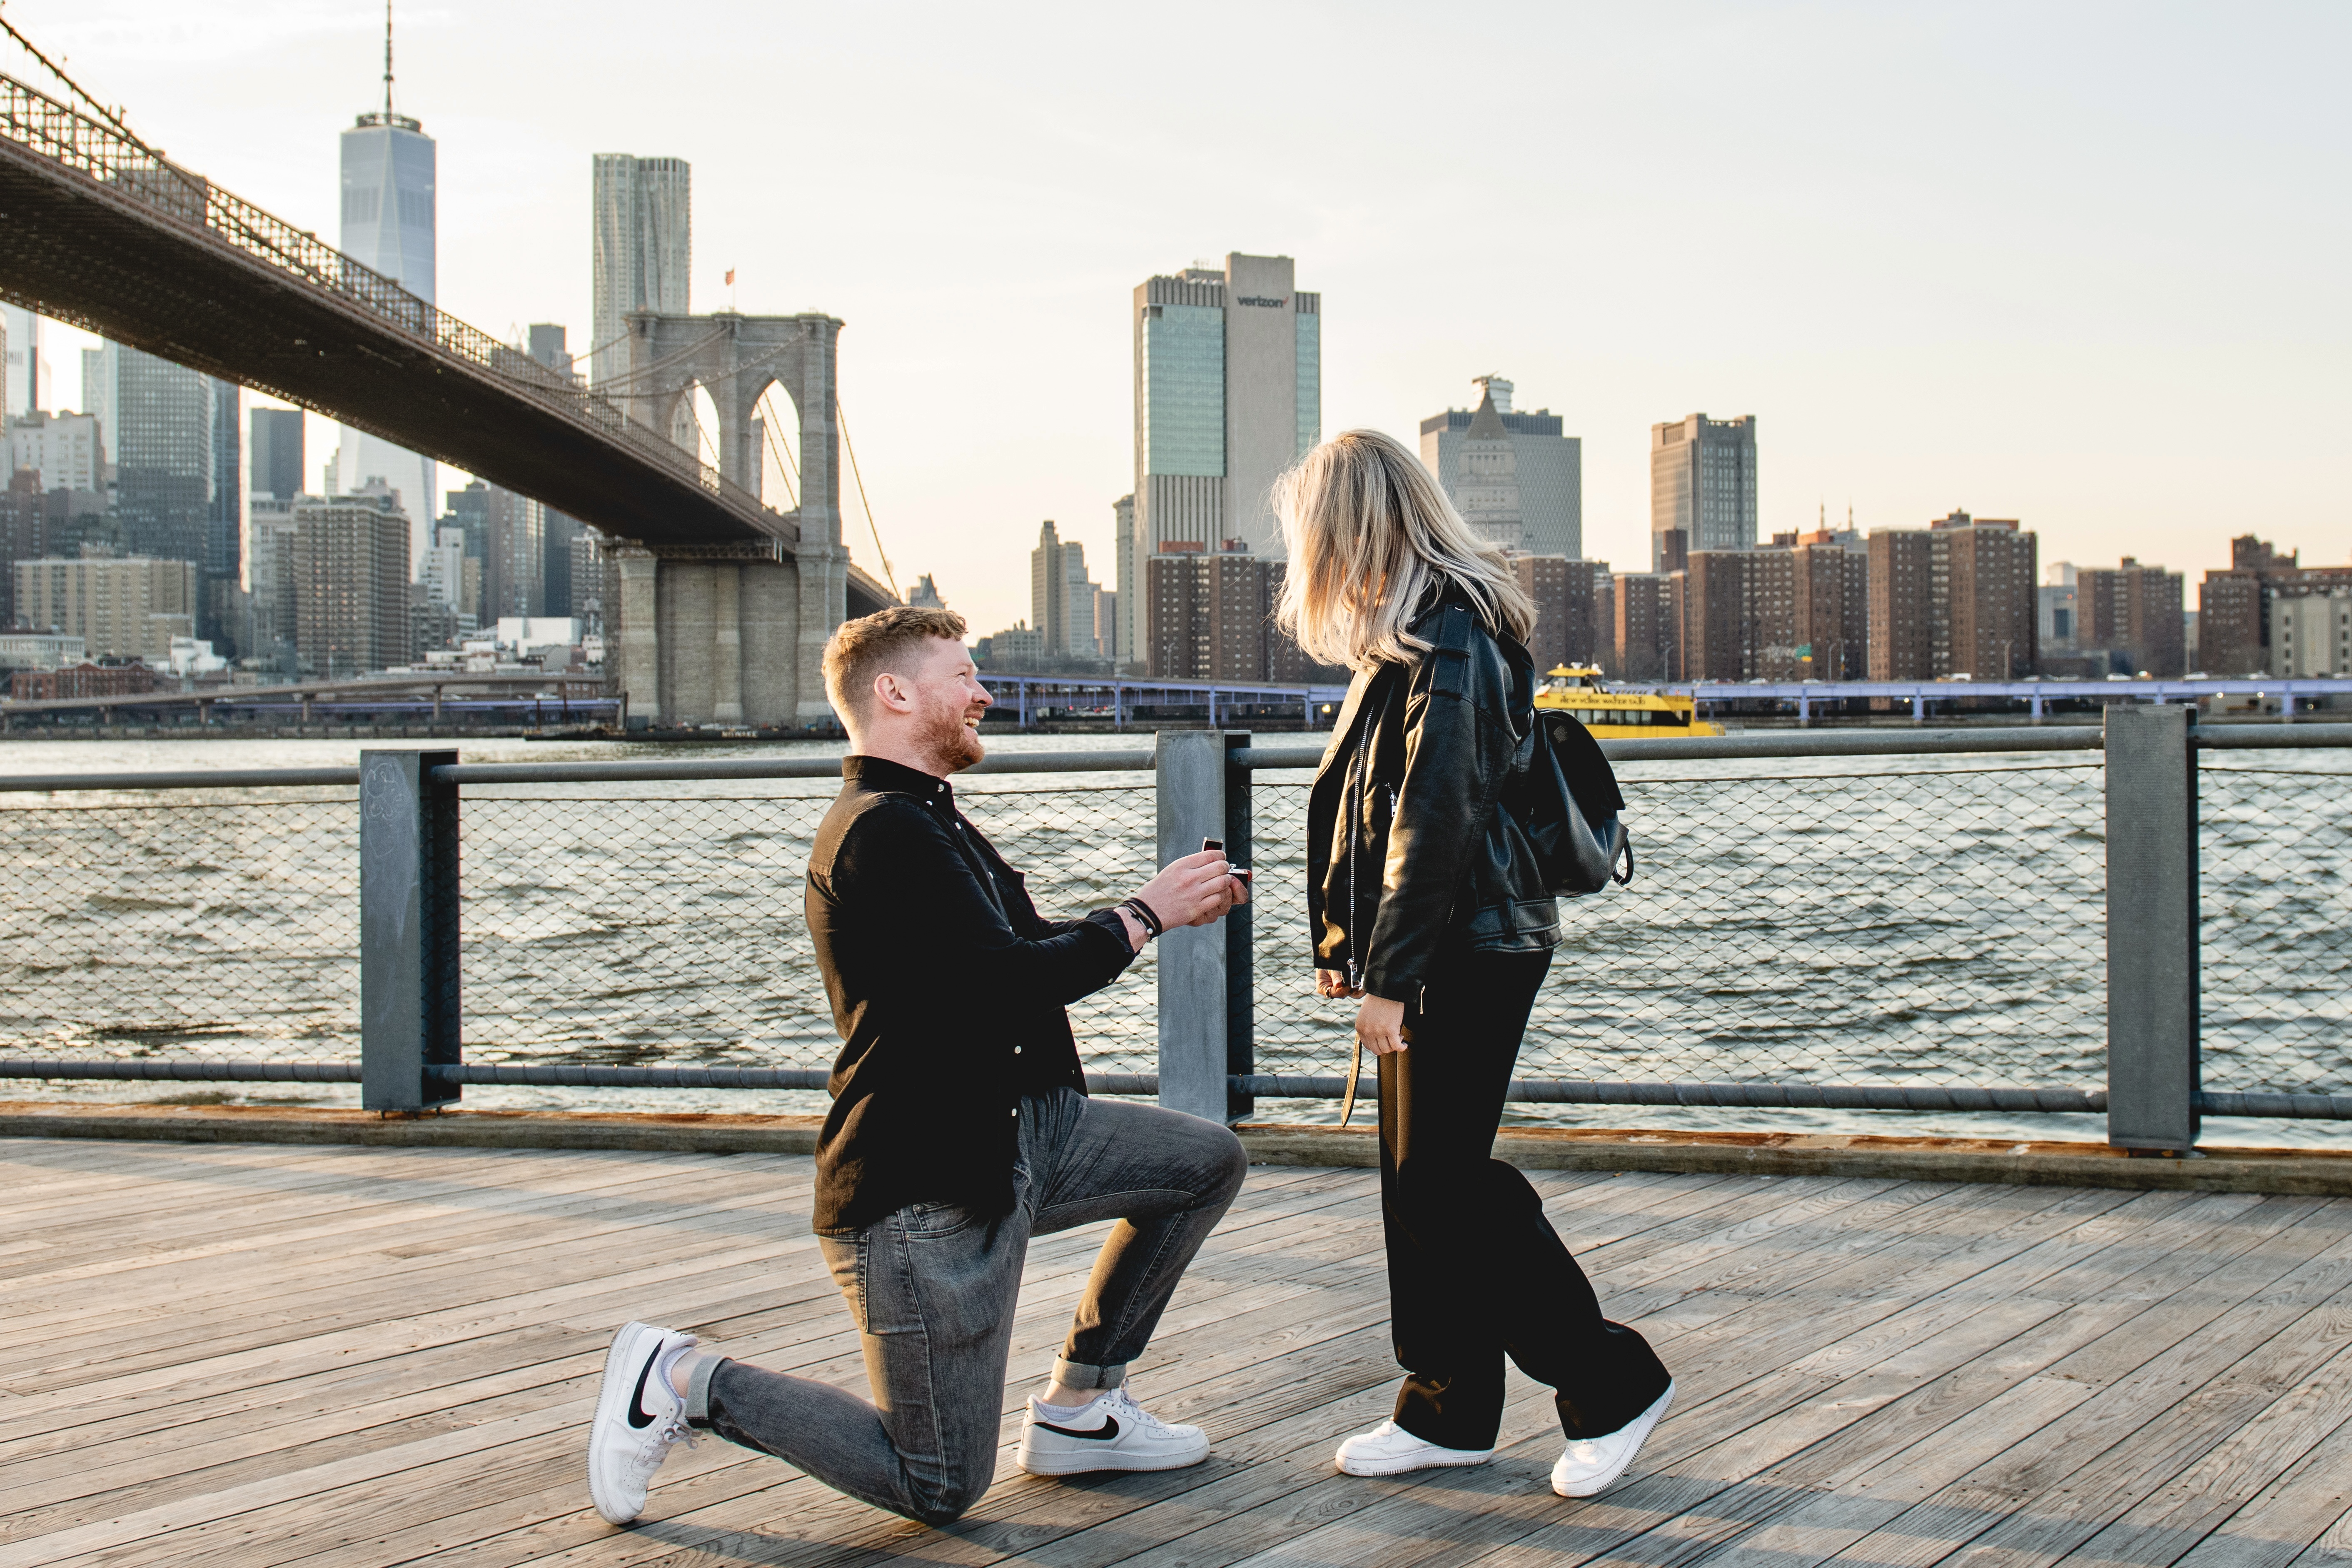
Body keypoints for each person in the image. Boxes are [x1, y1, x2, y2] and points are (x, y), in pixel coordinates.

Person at [586, 606, 1250, 1529]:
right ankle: (686, 1378)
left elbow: (1024, 947)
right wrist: (1142, 914)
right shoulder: (880, 832)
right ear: (894, 692)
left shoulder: (929, 821)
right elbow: (1005, 985)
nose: (984, 693)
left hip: (1019, 1130)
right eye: (964, 675)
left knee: (1203, 1161)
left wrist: (1155, 905)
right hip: (925, 1181)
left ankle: (1081, 1409)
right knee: (935, 1483)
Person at [1282, 430, 1675, 1498]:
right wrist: (1350, 949)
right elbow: (1368, 812)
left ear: (1347, 526)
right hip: (1432, 946)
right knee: (1416, 1178)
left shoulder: (1453, 637)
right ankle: (1448, 1405)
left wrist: (1389, 978)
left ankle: (1611, 1379)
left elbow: (1437, 819)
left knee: (1440, 1177)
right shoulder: (1412, 636)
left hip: (1471, 947)